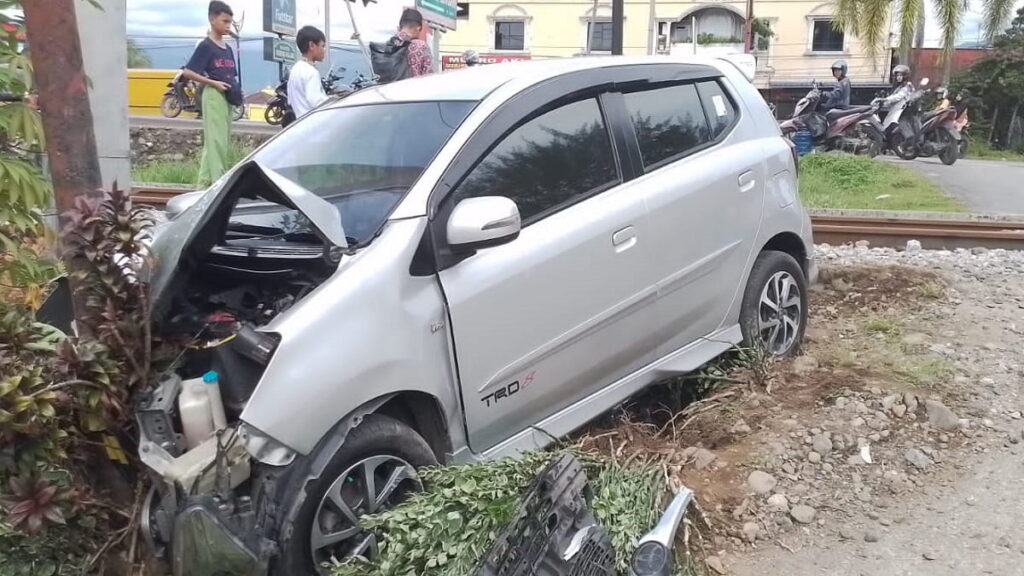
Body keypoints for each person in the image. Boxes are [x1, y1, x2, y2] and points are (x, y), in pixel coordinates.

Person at [182, 1, 242, 187]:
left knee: (217, 141)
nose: (227, 26)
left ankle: (204, 184)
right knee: (217, 142)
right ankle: (219, 183)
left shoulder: (228, 49)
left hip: (227, 96)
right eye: (224, 21)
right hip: (214, 95)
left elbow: (232, 74)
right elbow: (188, 72)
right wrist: (212, 83)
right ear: (212, 19)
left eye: (230, 22)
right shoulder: (206, 46)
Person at [288, 26, 329, 119]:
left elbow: (290, 100)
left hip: (299, 123)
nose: (324, 50)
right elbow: (317, 102)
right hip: (312, 124)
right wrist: (334, 102)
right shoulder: (311, 72)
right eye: (322, 46)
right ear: (311, 45)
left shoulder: (295, 69)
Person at [396, 9, 434, 77]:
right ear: (418, 28)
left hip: (388, 86)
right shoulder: (421, 46)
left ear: (401, 26)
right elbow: (429, 75)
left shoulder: (391, 44)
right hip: (413, 86)